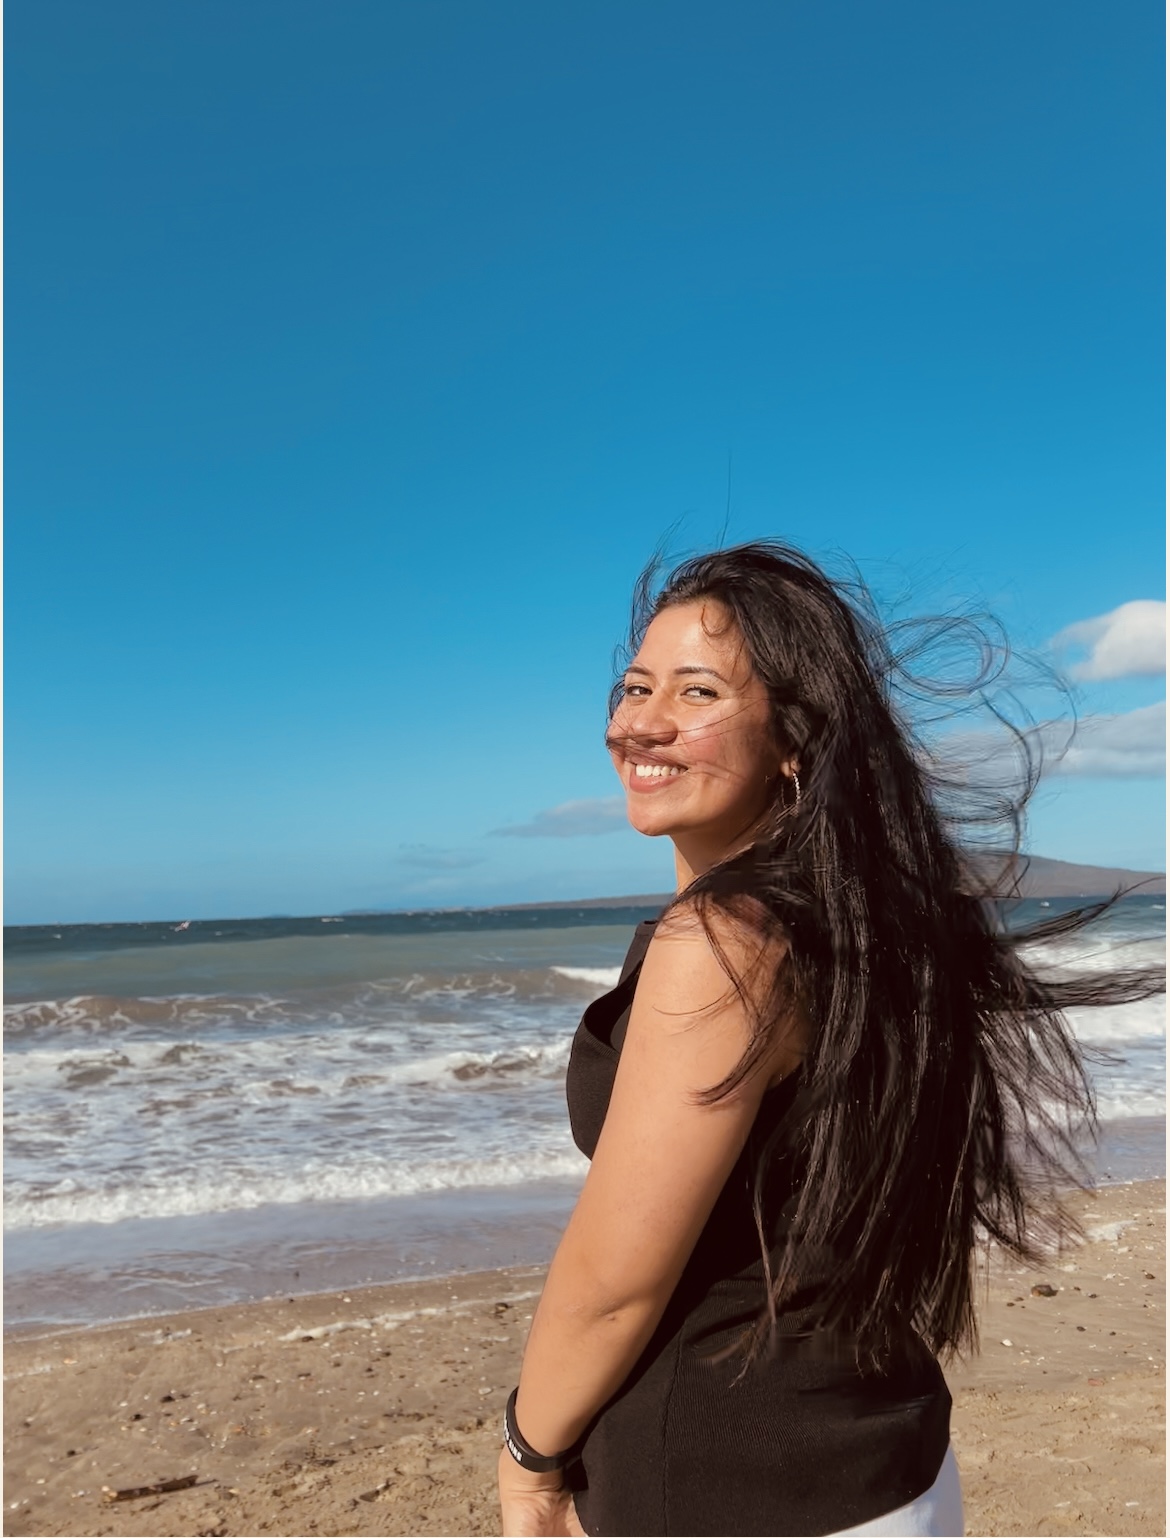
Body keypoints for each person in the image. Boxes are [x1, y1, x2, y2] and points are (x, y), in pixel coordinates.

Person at [497, 541, 1158, 1538]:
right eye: (635, 686)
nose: (641, 721)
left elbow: (612, 1285)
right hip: (889, 1466)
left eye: (697, 690)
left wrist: (529, 1455)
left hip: (729, 1484)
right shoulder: (868, 926)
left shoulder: (725, 942)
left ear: (794, 740)